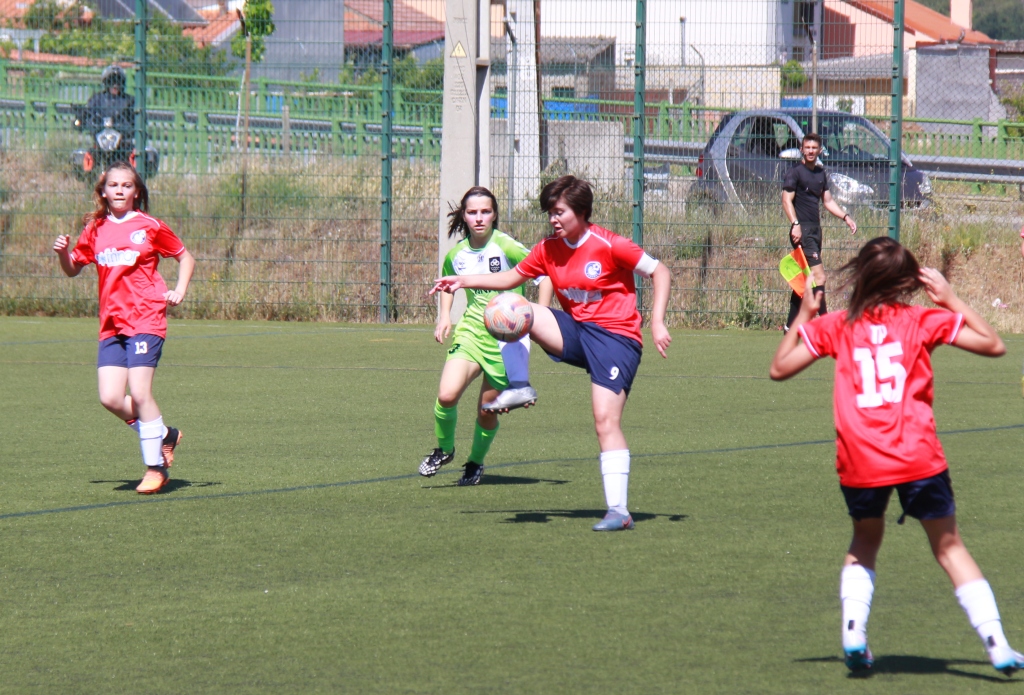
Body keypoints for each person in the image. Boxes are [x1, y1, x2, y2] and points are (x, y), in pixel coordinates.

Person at [769, 236, 1024, 676]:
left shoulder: (837, 326)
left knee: (865, 541)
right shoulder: (922, 320)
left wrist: (806, 316)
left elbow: (779, 368)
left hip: (860, 458)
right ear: (909, 281)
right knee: (949, 547)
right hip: (917, 455)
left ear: (861, 275)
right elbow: (992, 344)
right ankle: (997, 644)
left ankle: (853, 635)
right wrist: (949, 298)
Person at [430, 175, 672, 531]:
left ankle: (618, 511)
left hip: (615, 340)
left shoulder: (610, 244)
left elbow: (660, 271)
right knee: (509, 307)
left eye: (559, 212)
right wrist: (462, 281)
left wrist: (657, 322)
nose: (553, 220)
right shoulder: (548, 248)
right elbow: (512, 278)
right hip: (575, 332)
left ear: (581, 211)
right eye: (550, 214)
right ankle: (519, 385)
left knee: (605, 422)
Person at [52, 162, 195, 494]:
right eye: (112, 185)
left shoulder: (150, 226)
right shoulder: (96, 229)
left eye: (126, 185)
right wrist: (62, 254)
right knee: (111, 397)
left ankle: (155, 468)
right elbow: (73, 268)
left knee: (141, 393)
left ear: (136, 192)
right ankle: (163, 434)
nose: (118, 190)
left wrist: (179, 290)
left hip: (146, 318)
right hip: (112, 323)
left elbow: (186, 258)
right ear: (103, 191)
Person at [419, 186, 552, 485]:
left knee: (486, 411)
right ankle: (444, 449)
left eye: (486, 211)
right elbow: (448, 285)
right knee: (446, 395)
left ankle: (475, 463)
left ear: (494, 215)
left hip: (506, 340)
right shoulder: (457, 254)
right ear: (464, 216)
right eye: (473, 212)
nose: (479, 218)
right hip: (472, 332)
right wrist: (444, 318)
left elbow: (544, 276)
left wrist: (538, 316)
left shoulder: (508, 247)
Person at [782, 132, 858, 329]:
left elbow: (828, 201)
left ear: (819, 151)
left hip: (816, 231)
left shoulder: (820, 174)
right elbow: (786, 200)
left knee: (805, 281)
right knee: (819, 276)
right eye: (807, 147)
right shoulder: (795, 172)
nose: (810, 151)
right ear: (802, 149)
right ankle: (826, 321)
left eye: (814, 148)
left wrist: (846, 217)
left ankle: (790, 326)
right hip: (803, 231)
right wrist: (795, 224)